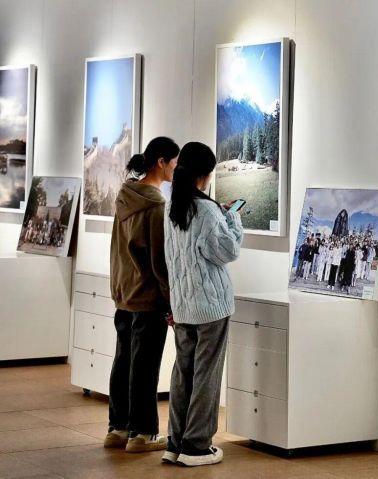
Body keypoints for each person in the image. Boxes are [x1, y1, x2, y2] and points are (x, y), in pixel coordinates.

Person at [162, 142, 243, 467]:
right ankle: (196, 446)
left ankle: (175, 442)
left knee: (183, 373)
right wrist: (233, 219)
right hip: (210, 307)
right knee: (206, 375)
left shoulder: (173, 207)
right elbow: (227, 251)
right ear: (205, 175)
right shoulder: (207, 211)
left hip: (183, 305)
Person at [105, 137, 180, 453]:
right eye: (174, 163)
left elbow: (118, 249)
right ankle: (143, 434)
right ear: (161, 162)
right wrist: (171, 298)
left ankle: (117, 428)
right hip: (147, 296)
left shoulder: (125, 196)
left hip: (124, 291)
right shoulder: (155, 206)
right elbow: (159, 261)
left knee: (124, 360)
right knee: (145, 366)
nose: (176, 169)